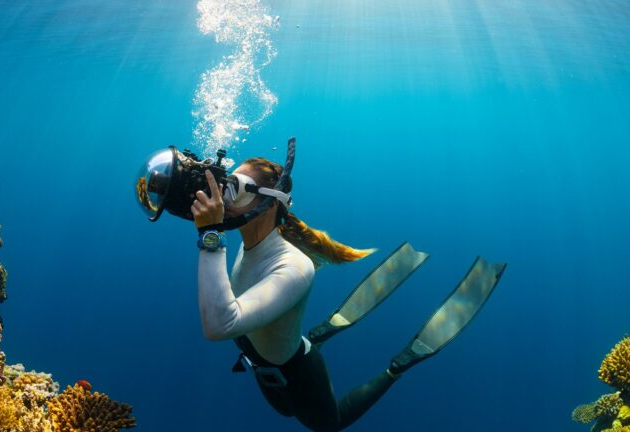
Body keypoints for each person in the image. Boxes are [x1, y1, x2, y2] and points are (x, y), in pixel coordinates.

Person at [190, 157, 505, 432]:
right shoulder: (248, 246)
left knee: (329, 424)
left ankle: (399, 366)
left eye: (236, 186)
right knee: (285, 411)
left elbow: (220, 324)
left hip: (297, 371)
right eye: (225, 183)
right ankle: (317, 333)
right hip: (259, 359)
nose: (223, 195)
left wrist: (210, 234)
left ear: (270, 202)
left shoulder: (295, 268)